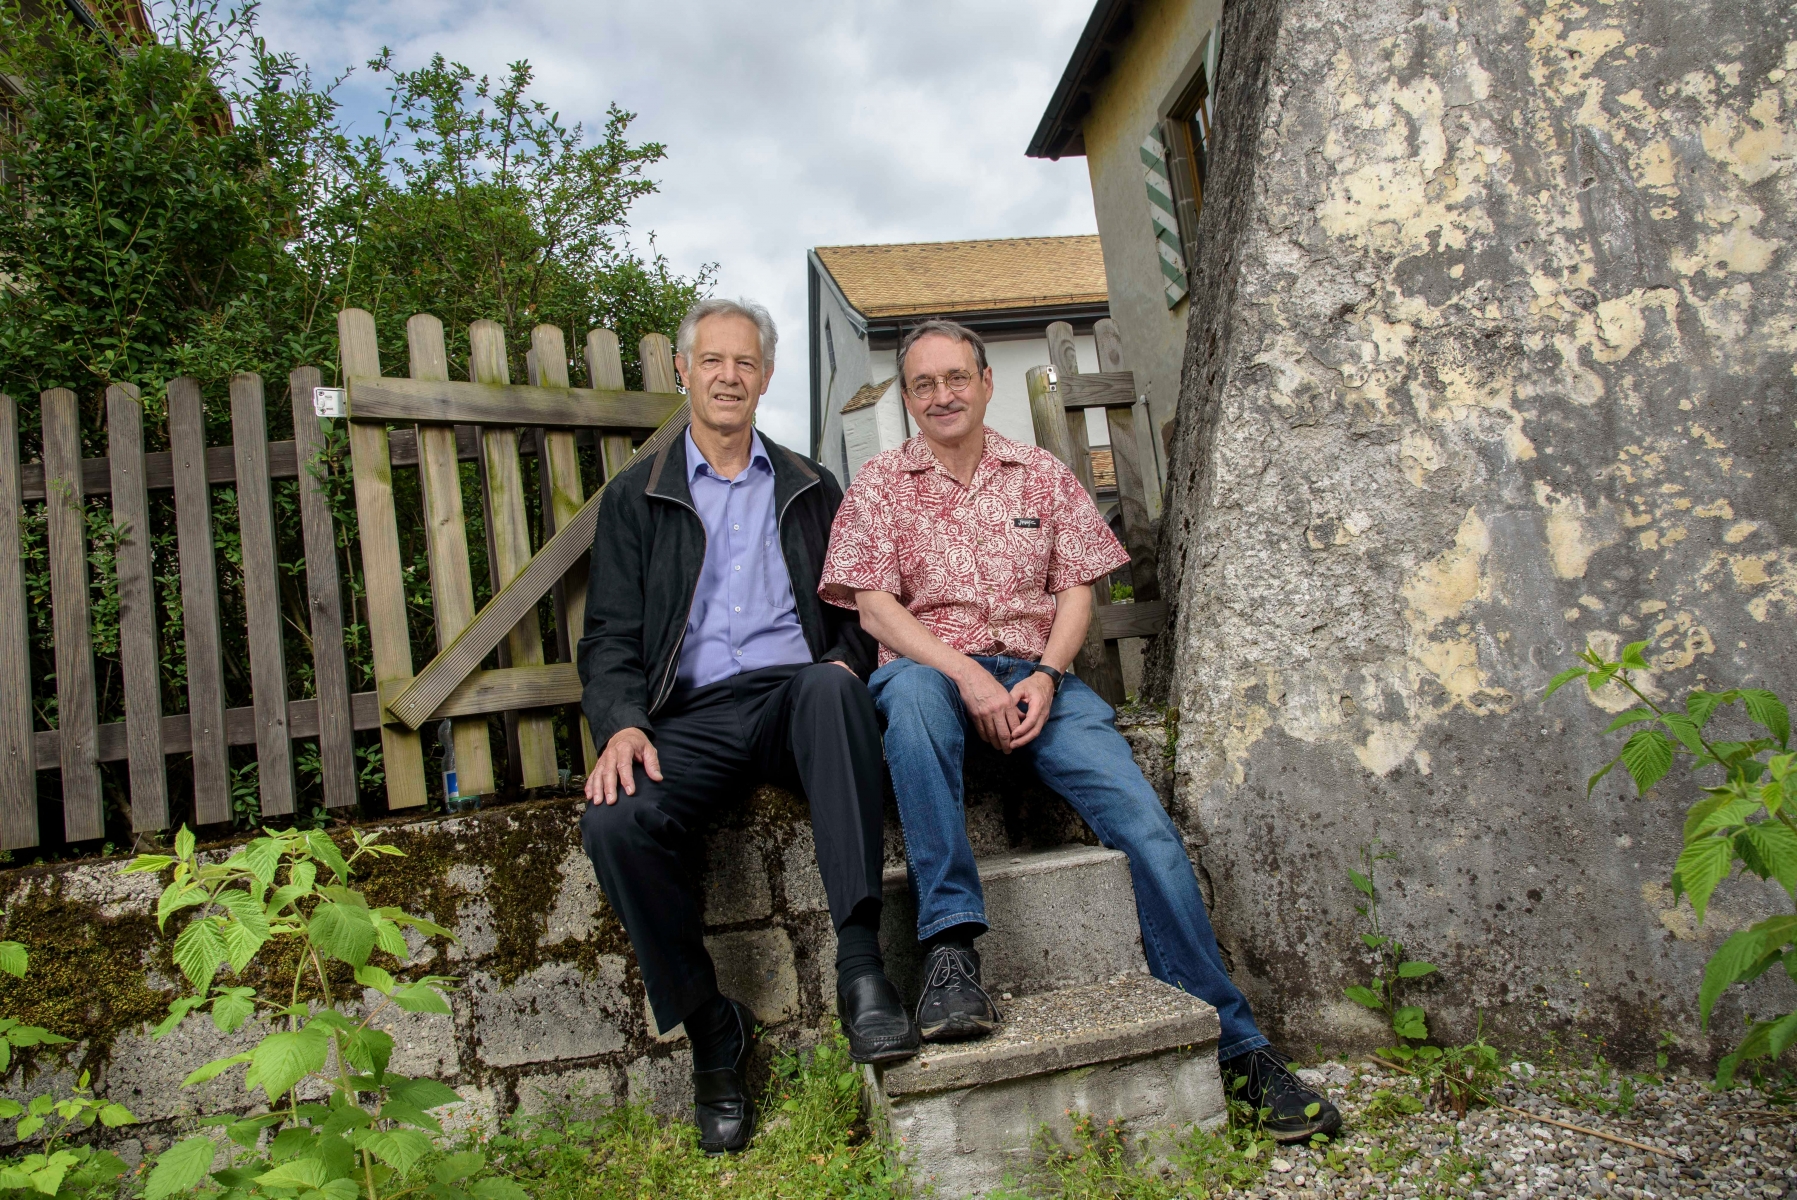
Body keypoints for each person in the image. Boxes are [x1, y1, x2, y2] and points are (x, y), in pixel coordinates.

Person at [817, 318, 1342, 1144]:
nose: (941, 395)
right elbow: (876, 607)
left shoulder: (1040, 474)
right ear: (908, 397)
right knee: (913, 701)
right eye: (923, 384)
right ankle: (951, 954)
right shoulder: (880, 483)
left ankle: (1236, 1043)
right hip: (933, 672)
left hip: (1040, 680)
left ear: (986, 383)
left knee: (1143, 825)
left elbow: (1075, 594)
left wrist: (1047, 679)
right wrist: (967, 675)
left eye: (956, 377)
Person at [577, 298, 918, 1157]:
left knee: (836, 689)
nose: (729, 376)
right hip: (684, 715)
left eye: (746, 363)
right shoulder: (635, 497)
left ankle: (860, 971)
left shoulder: (810, 485)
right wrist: (621, 725)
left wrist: (842, 659)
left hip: (787, 697)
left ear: (765, 377)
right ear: (684, 373)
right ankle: (710, 1033)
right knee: (615, 821)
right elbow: (610, 637)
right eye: (713, 361)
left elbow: (852, 602)